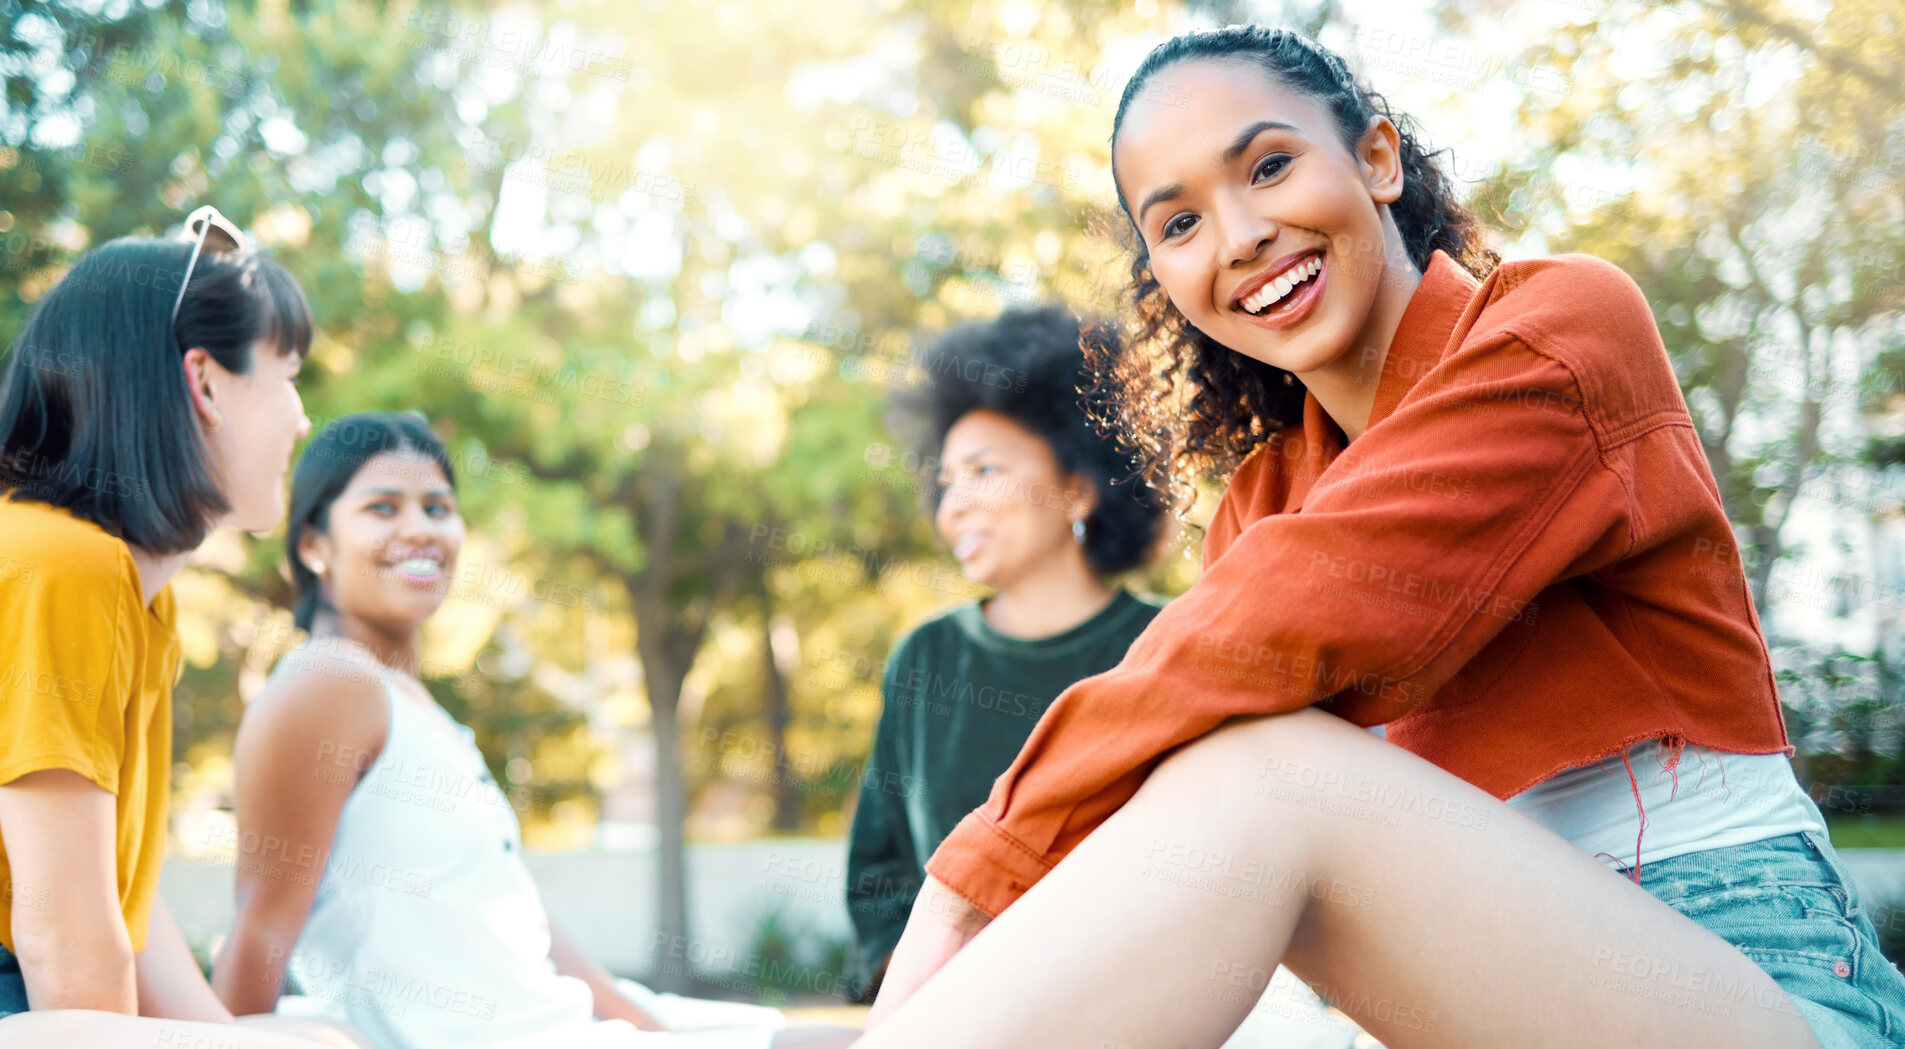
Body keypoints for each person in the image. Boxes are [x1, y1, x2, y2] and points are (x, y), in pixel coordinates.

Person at [858, 25, 1905, 1049]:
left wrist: (965, 883)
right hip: (1472, 996)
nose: (1239, 237)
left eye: (1268, 166)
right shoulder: (1266, 502)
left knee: (1267, 765)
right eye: (1178, 226)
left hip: (1744, 967)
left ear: (1377, 157)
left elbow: (1291, 619)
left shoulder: (1564, 331)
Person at [213, 413, 859, 1049]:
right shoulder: (327, 681)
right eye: (383, 507)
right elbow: (260, 926)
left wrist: (651, 1028)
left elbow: (521, 924)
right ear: (312, 543)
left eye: (438, 507)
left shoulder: (416, 708)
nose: (419, 529)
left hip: (554, 1021)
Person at [0, 210, 357, 1049]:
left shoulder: (133, 591)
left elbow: (121, 901)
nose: (302, 419)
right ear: (204, 384)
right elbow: (62, 941)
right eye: (287, 376)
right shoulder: (59, 566)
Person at [845, 305, 1170, 997]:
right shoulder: (926, 658)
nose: (953, 504)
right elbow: (879, 872)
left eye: (984, 469)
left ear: (1077, 488)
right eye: (945, 480)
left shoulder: (1170, 647)